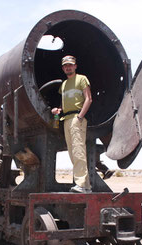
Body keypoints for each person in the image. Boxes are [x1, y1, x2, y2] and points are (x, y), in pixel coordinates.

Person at [51, 55, 92, 193]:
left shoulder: (81, 78)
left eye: (70, 65)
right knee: (72, 153)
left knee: (78, 150)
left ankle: (80, 184)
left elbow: (88, 99)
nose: (68, 67)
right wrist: (58, 110)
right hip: (66, 119)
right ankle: (86, 186)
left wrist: (80, 117)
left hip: (76, 118)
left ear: (75, 66)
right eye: (65, 65)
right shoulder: (63, 85)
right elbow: (66, 104)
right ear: (63, 68)